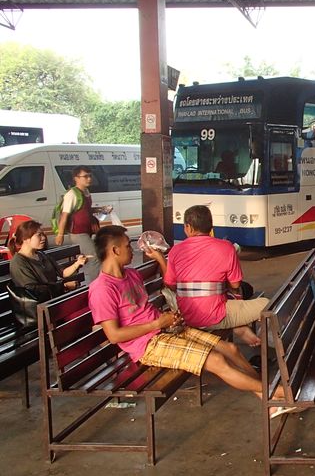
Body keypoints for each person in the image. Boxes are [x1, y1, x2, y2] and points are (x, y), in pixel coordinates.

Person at [88, 225, 292, 418]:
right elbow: (114, 336)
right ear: (114, 250)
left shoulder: (131, 274)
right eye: (126, 246)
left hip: (165, 330)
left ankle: (268, 400)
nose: (131, 249)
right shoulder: (102, 289)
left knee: (231, 350)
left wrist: (166, 320)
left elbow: (150, 304)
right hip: (147, 346)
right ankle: (284, 394)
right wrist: (157, 324)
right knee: (218, 361)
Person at [150, 205, 267, 347]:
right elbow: (236, 285)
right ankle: (248, 332)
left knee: (233, 308)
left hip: (187, 315)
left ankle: (241, 328)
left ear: (189, 228)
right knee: (266, 303)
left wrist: (161, 259)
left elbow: (170, 284)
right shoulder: (226, 247)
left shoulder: (176, 250)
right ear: (211, 227)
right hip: (215, 316)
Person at [9, 219, 87, 300]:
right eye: (39, 235)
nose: (43, 238)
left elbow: (62, 273)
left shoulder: (42, 255)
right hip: (41, 305)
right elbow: (31, 290)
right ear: (25, 239)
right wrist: (64, 286)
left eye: (43, 234)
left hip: (54, 299)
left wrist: (78, 263)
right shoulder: (18, 262)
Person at [54, 165, 101, 281]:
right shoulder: (72, 194)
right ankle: (97, 285)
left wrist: (100, 209)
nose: (89, 179)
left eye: (90, 176)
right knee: (94, 257)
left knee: (92, 256)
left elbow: (85, 210)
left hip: (86, 231)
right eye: (85, 176)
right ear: (76, 178)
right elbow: (64, 216)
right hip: (78, 233)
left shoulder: (86, 192)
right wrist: (60, 235)